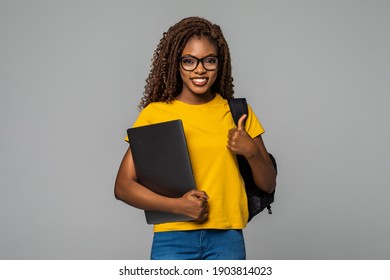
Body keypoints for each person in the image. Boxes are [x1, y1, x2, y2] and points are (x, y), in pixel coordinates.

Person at [114, 16, 276, 260]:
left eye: (209, 60)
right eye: (189, 61)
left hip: (227, 238)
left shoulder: (237, 113)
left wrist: (251, 151)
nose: (200, 69)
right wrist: (178, 206)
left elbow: (268, 184)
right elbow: (123, 187)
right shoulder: (156, 114)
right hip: (173, 238)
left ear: (219, 64)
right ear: (175, 64)